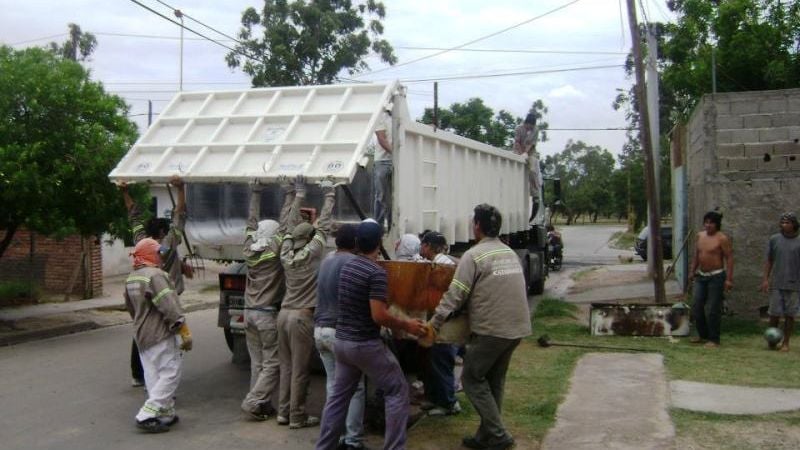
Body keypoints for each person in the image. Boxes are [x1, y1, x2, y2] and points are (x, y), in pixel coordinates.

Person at [315, 220, 428, 450]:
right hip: (364, 344)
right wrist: (408, 325)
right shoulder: (375, 273)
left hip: (343, 344)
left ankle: (324, 446)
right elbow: (378, 315)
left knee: (338, 399)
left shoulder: (348, 267)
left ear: (357, 243)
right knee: (397, 389)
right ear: (378, 244)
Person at [427, 204, 532, 450]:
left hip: (491, 330)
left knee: (472, 378)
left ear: (476, 226)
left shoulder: (474, 256)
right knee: (494, 380)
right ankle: (485, 436)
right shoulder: (508, 252)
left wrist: (434, 322)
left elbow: (456, 294)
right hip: (516, 328)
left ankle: (498, 434)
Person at [240, 178, 303, 421]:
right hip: (266, 314)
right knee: (273, 363)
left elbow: (250, 222)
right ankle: (253, 401)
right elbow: (286, 225)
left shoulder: (248, 250)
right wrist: (294, 195)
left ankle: (261, 403)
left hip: (249, 313)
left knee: (258, 363)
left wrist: (255, 192)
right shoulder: (273, 252)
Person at [278, 178, 337, 429]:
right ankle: (297, 415)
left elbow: (289, 228)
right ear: (310, 238)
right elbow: (322, 225)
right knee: (301, 369)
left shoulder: (286, 253)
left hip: (283, 315)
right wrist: (329, 194)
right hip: (302, 317)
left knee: (286, 367)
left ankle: (283, 412)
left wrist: (298, 194)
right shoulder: (313, 254)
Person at [119, 176, 189, 388]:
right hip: (163, 295)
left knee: (142, 329)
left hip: (142, 294)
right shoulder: (166, 245)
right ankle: (163, 381)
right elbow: (179, 215)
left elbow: (133, 214)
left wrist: (124, 191)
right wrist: (181, 188)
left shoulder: (141, 241)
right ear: (162, 232)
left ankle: (138, 374)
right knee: (166, 335)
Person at [124, 238, 193, 433]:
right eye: (158, 253)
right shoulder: (155, 276)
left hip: (141, 334)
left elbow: (130, 307)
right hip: (159, 333)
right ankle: (147, 413)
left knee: (153, 373)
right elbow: (169, 305)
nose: (161, 257)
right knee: (171, 372)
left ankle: (165, 413)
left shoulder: (132, 277)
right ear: (150, 255)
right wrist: (182, 328)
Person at [313, 224, 366, 450]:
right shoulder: (353, 264)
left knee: (333, 387)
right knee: (355, 388)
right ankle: (353, 441)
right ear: (355, 243)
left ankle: (336, 436)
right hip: (340, 332)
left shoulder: (326, 261)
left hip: (320, 331)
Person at [418, 231, 461, 417]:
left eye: (422, 245)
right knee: (432, 360)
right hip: (439, 318)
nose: (421, 248)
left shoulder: (442, 264)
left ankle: (449, 403)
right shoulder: (441, 262)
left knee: (441, 360)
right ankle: (435, 398)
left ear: (427, 246)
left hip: (444, 320)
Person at [689, 211, 734, 348]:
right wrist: (692, 271)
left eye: (711, 223)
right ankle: (703, 334)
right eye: (706, 222)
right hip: (701, 275)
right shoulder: (700, 236)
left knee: (713, 308)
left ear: (717, 225)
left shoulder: (722, 239)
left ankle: (714, 339)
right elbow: (697, 255)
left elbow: (730, 258)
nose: (708, 225)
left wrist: (729, 279)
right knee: (696, 305)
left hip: (717, 276)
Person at [760, 212, 800, 352]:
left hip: (794, 284)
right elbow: (769, 260)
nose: (784, 225)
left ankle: (786, 342)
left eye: (787, 222)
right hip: (777, 283)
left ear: (794, 224)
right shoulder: (774, 239)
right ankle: (772, 341)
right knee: (774, 314)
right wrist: (765, 279)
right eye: (782, 222)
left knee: (790, 315)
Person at [513, 113, 542, 221]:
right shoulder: (518, 129)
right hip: (518, 149)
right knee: (515, 166)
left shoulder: (536, 130)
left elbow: (531, 144)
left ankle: (535, 194)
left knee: (533, 170)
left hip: (530, 152)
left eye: (532, 126)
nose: (530, 128)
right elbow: (517, 142)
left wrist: (526, 153)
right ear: (526, 123)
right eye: (529, 125)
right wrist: (521, 154)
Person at [373, 109, 393, 231]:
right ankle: (377, 229)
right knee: (381, 196)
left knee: (395, 198)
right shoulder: (381, 115)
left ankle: (392, 228)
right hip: (382, 161)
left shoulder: (400, 115)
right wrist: (396, 154)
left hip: (396, 161)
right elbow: (381, 138)